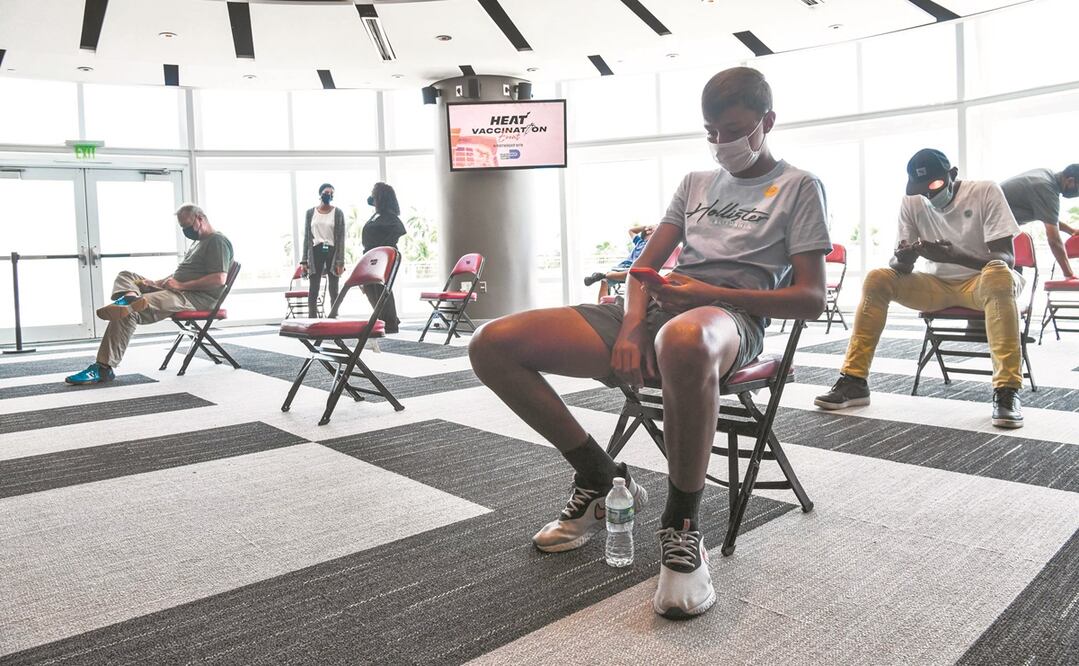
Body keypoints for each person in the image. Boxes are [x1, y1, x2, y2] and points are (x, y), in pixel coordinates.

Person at [468, 67, 830, 620]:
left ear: (768, 122)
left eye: (734, 130)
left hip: (731, 319)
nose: (721, 143)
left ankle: (682, 527)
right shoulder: (695, 183)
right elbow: (644, 270)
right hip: (659, 310)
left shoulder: (800, 187)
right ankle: (600, 477)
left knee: (684, 339)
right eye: (711, 131)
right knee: (491, 343)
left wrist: (706, 293)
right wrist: (633, 325)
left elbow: (810, 299)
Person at [815, 148, 1026, 428]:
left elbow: (1007, 258)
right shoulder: (912, 201)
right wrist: (905, 257)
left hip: (983, 283)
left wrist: (954, 256)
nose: (927, 194)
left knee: (998, 273)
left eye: (935, 185)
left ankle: (1007, 390)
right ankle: (854, 381)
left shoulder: (985, 191)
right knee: (878, 278)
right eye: (920, 188)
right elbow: (897, 263)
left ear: (952, 175)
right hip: (937, 286)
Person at [65, 204, 234, 384]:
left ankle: (103, 368)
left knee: (129, 311)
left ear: (200, 218)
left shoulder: (217, 241)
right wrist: (157, 283)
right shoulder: (198, 242)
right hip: (177, 290)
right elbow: (182, 274)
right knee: (126, 275)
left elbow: (219, 279)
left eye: (187, 226)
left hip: (192, 298)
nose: (186, 231)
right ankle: (130, 296)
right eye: (182, 227)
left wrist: (180, 285)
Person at [1000, 164, 1078, 278]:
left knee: (1013, 271)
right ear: (1070, 181)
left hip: (992, 229)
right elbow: (1054, 240)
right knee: (1007, 274)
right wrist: (1069, 275)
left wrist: (1071, 230)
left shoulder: (1046, 175)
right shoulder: (1047, 189)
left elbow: (1048, 216)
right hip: (989, 232)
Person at [361, 182, 406, 334]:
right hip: (370, 257)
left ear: (381, 197)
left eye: (374, 194)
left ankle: (390, 323)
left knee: (381, 288)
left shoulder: (391, 218)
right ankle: (385, 318)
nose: (371, 197)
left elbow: (397, 231)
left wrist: (381, 252)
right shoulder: (376, 215)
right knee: (370, 288)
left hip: (383, 259)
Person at [300, 183, 346, 317]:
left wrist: (340, 262)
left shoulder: (338, 213)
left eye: (331, 193)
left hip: (332, 252)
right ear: (320, 194)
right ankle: (312, 320)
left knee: (334, 289)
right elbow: (307, 237)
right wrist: (304, 260)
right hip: (315, 252)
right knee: (313, 289)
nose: (329, 195)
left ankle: (334, 318)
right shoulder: (310, 213)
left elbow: (341, 238)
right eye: (326, 192)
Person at [584, 225, 656, 301]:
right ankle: (601, 305)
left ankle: (603, 275)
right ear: (647, 233)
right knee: (604, 281)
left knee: (631, 274)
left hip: (634, 269)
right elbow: (631, 231)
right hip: (621, 267)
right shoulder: (639, 242)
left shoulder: (654, 245)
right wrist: (645, 227)